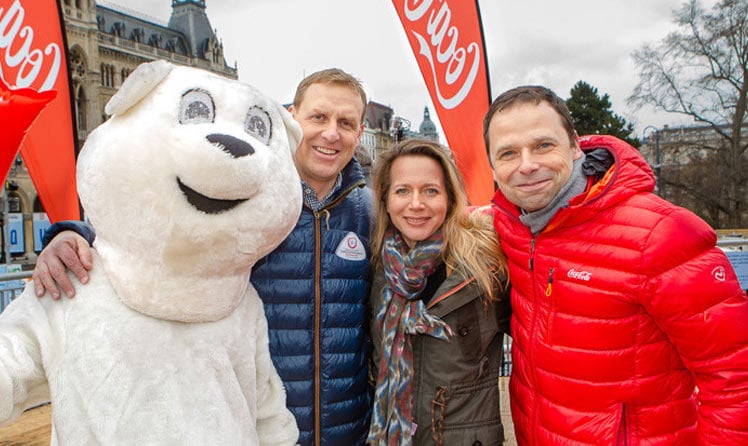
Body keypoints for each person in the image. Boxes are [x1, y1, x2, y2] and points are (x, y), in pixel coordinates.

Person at [31, 68, 374, 446]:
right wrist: (70, 234)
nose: (331, 133)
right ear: (291, 117)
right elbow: (151, 231)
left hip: (347, 426)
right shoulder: (254, 199)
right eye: (319, 117)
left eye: (346, 122)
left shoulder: (370, 212)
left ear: (359, 133)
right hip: (251, 420)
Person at [483, 85, 748, 445]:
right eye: (509, 153)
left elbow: (735, 374)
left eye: (543, 145)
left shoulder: (660, 235)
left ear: (575, 145)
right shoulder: (510, 228)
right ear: (493, 167)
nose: (527, 164)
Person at [366, 139, 511, 445]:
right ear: (385, 199)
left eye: (430, 190)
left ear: (449, 197)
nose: (416, 204)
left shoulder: (487, 261)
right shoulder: (377, 267)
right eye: (403, 190)